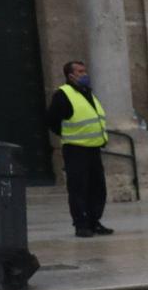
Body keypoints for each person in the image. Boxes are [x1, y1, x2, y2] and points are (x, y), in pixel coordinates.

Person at [46, 59, 112, 237]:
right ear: (71, 75)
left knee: (97, 188)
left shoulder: (87, 92)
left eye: (85, 71)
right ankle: (81, 225)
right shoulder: (63, 94)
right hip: (76, 149)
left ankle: (94, 221)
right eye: (81, 72)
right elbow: (52, 120)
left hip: (93, 149)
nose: (85, 75)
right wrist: (68, 135)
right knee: (78, 189)